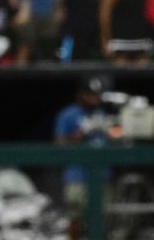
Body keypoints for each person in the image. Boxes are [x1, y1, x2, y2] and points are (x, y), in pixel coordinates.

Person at [54, 76, 115, 233]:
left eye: (97, 95)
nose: (94, 98)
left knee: (102, 218)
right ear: (81, 94)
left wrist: (114, 133)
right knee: (75, 217)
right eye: (90, 94)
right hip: (77, 176)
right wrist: (80, 134)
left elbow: (116, 140)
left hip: (102, 175)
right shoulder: (68, 114)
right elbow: (59, 143)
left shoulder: (105, 115)